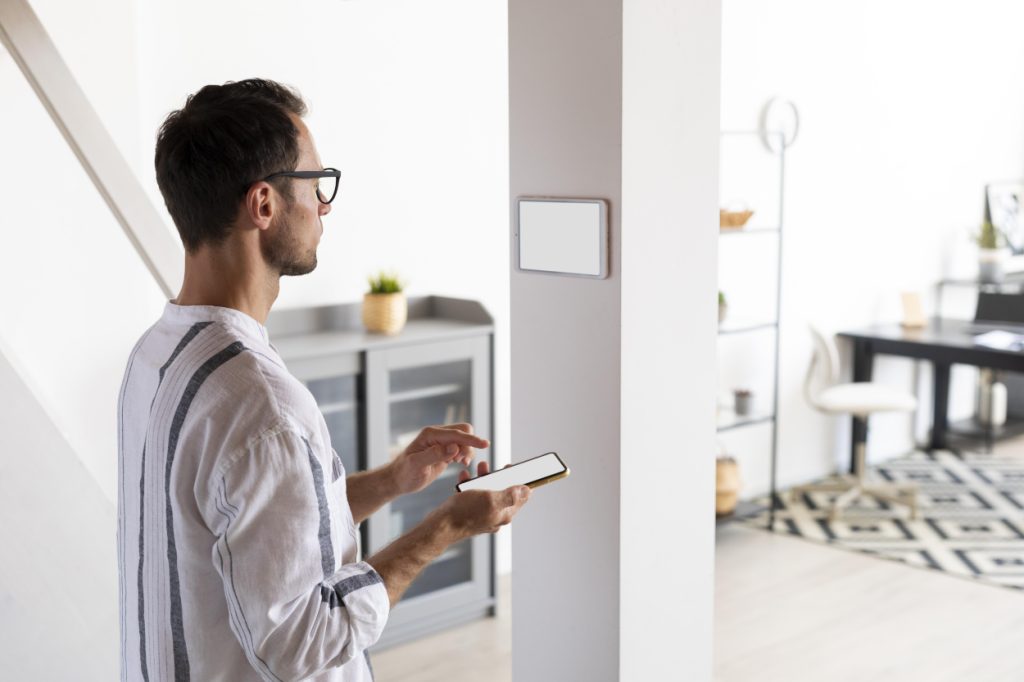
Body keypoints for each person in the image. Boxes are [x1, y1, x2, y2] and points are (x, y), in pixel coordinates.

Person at [117, 78, 531, 682]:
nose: (325, 205)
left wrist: (393, 480)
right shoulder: (263, 405)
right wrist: (449, 525)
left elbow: (253, 534)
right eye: (316, 183)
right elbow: (304, 641)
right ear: (264, 205)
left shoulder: (155, 354)